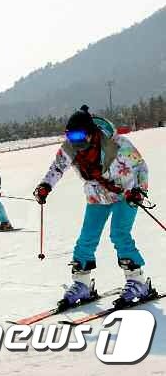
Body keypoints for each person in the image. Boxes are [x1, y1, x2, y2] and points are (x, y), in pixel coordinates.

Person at [33, 105, 152, 309]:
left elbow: (141, 166)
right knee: (86, 238)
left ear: (90, 132)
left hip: (126, 194)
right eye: (70, 135)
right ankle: (82, 283)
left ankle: (138, 281)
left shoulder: (117, 144)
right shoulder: (70, 147)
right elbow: (57, 167)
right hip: (97, 197)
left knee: (119, 234)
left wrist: (139, 191)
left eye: (79, 134)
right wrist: (45, 185)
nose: (75, 140)